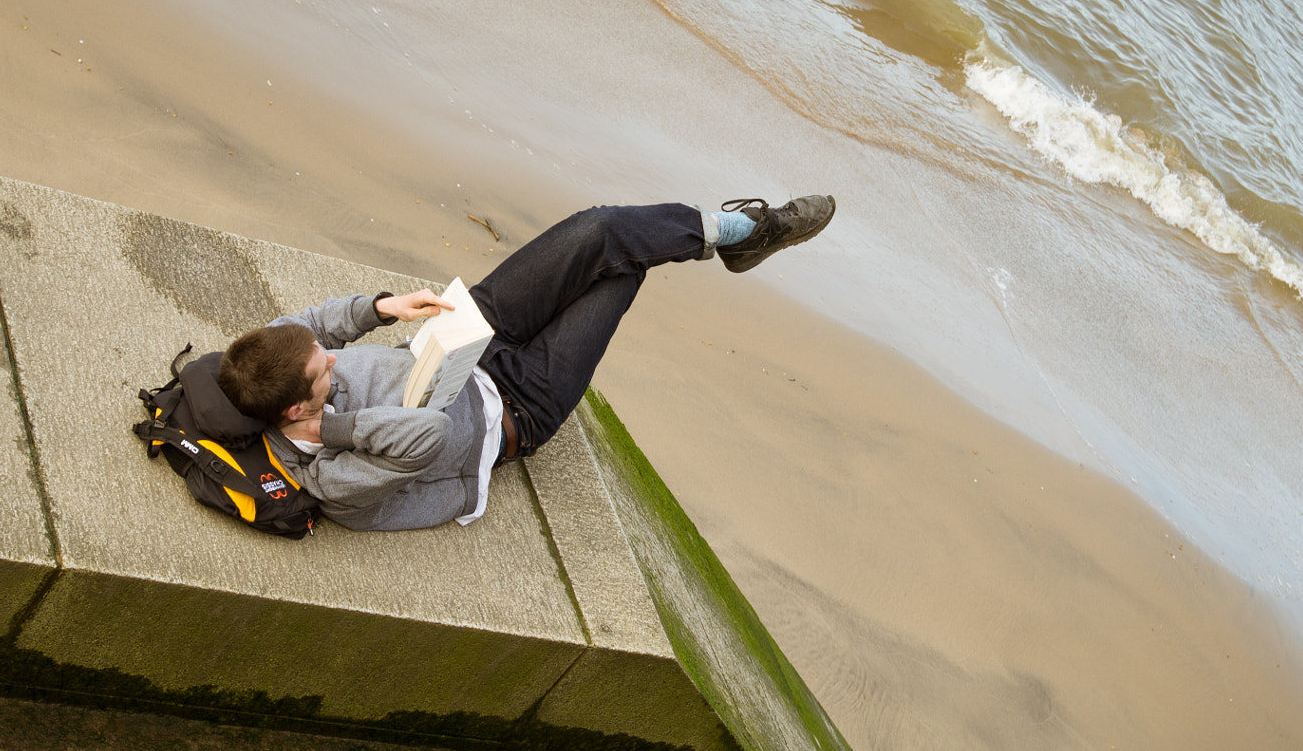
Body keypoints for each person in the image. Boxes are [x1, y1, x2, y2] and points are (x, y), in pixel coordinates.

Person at [211, 196, 835, 531]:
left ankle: (742, 231)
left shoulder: (271, 362)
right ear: (298, 409)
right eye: (326, 369)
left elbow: (311, 327)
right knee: (626, 268)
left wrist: (383, 307)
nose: (330, 357)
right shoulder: (331, 481)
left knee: (602, 230)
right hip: (515, 408)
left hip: (466, 339)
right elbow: (426, 435)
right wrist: (334, 432)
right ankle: (737, 236)